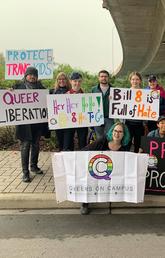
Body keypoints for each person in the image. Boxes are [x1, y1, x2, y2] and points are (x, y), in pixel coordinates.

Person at [80, 122, 130, 215]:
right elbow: (86, 150)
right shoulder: (103, 141)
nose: (117, 134)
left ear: (124, 135)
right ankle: (85, 203)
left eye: (120, 132)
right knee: (89, 179)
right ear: (111, 132)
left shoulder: (124, 147)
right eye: (115, 131)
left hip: (111, 173)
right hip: (95, 169)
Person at [12, 67, 46, 183]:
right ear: (26, 75)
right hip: (24, 125)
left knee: (36, 146)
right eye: (30, 74)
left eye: (34, 75)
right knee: (25, 147)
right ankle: (25, 173)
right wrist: (8, 92)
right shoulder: (17, 87)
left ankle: (34, 166)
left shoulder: (41, 88)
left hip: (36, 125)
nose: (32, 76)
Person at [65, 72, 88, 150]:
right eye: (75, 81)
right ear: (71, 81)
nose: (77, 83)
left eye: (79, 81)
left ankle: (82, 160)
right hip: (69, 122)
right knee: (68, 143)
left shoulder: (86, 95)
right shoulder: (65, 95)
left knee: (83, 143)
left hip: (82, 122)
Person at [50, 72, 71, 151]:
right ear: (57, 80)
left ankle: (68, 160)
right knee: (61, 144)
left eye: (63, 79)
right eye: (59, 79)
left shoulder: (71, 91)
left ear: (66, 80)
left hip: (69, 122)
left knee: (67, 144)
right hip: (58, 122)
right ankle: (62, 161)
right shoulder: (52, 92)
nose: (61, 81)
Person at [125, 71, 145, 153]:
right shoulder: (125, 93)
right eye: (133, 79)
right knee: (127, 143)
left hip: (139, 123)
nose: (135, 81)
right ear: (130, 80)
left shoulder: (145, 93)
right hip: (128, 122)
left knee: (138, 144)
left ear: (140, 81)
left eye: (137, 79)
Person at [91, 70, 113, 139]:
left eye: (105, 76)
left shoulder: (114, 90)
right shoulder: (94, 89)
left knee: (109, 137)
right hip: (97, 117)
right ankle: (101, 149)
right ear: (99, 78)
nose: (104, 78)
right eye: (102, 76)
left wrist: (113, 100)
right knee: (99, 138)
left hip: (109, 117)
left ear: (108, 78)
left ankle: (108, 150)